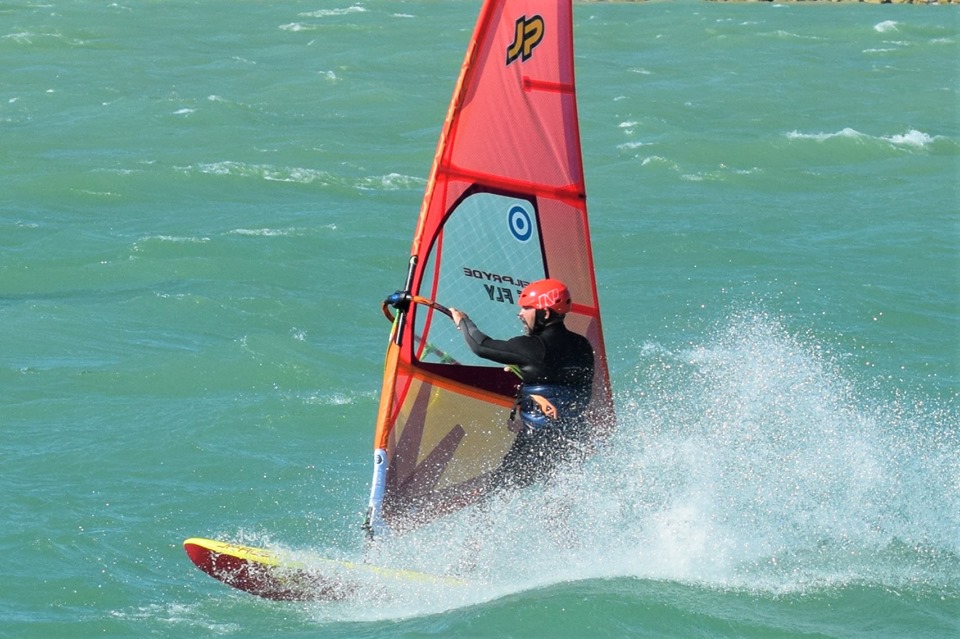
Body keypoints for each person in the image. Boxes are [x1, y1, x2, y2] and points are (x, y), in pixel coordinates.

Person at [449, 278, 595, 492]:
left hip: (537, 442)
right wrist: (527, 373)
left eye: (527, 308)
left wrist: (464, 321)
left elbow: (480, 345)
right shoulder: (582, 346)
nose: (520, 314)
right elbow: (559, 381)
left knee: (496, 494)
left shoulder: (532, 348)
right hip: (574, 440)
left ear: (545, 313)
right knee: (558, 498)